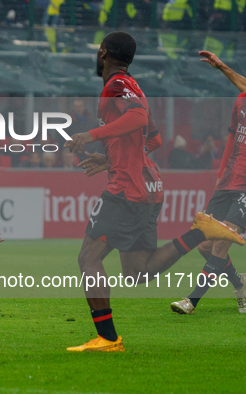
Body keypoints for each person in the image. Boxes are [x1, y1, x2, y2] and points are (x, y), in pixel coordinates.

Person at [63, 32, 245, 352]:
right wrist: (110, 158)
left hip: (127, 189)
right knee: (137, 273)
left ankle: (107, 339)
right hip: (150, 186)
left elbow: (137, 119)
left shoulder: (116, 86)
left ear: (103, 52)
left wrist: (92, 135)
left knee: (88, 258)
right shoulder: (136, 87)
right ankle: (199, 233)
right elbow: (154, 139)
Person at [170, 51, 246, 314]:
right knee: (204, 245)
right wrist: (221, 171)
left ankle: (192, 300)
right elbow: (232, 138)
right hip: (229, 181)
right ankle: (240, 285)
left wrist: (222, 67)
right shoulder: (240, 101)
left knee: (221, 240)